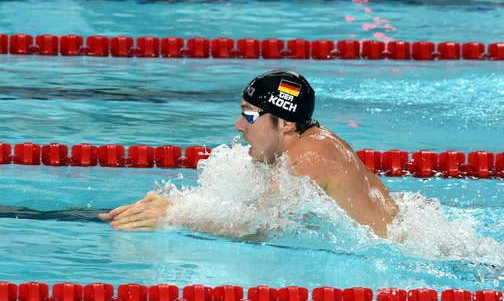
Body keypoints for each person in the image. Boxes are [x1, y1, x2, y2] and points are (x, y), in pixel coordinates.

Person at [99, 69, 400, 238]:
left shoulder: (311, 153)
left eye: (250, 115)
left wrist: (177, 217)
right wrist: (175, 202)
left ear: (285, 123)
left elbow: (259, 228)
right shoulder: (296, 146)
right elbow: (247, 209)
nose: (238, 125)